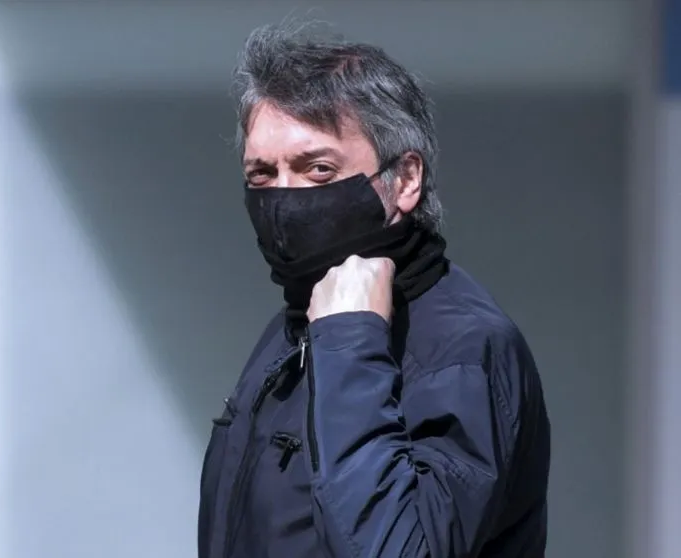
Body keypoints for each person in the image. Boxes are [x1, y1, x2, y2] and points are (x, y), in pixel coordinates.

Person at [197, 21, 550, 558]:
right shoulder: (298, 323)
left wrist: (350, 344)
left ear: (404, 180)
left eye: (318, 169)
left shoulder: (462, 349)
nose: (284, 199)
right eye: (262, 175)